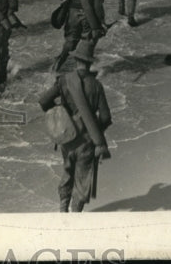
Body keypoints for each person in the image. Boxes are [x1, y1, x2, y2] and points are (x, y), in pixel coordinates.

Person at [37, 41, 112, 212]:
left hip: (68, 135)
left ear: (76, 60)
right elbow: (106, 117)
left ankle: (63, 209)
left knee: (67, 170)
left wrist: (59, 113)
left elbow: (43, 101)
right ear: (90, 62)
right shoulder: (96, 85)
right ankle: (76, 214)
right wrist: (95, 130)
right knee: (83, 178)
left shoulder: (64, 80)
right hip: (87, 140)